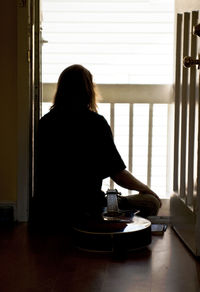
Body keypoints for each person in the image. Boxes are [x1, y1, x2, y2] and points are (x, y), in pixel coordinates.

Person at [30, 64, 161, 229]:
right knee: (150, 202)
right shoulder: (96, 123)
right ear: (88, 90)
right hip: (89, 209)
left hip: (51, 211)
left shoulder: (45, 123)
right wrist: (148, 190)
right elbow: (118, 174)